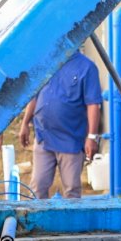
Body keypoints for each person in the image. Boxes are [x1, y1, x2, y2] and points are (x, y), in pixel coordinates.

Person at [19, 48, 102, 198]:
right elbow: (34, 95)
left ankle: (72, 221)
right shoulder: (46, 61)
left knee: (71, 189)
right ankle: (37, 221)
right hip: (43, 137)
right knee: (37, 186)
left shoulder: (86, 67)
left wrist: (91, 137)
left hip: (71, 139)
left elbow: (93, 104)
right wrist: (25, 123)